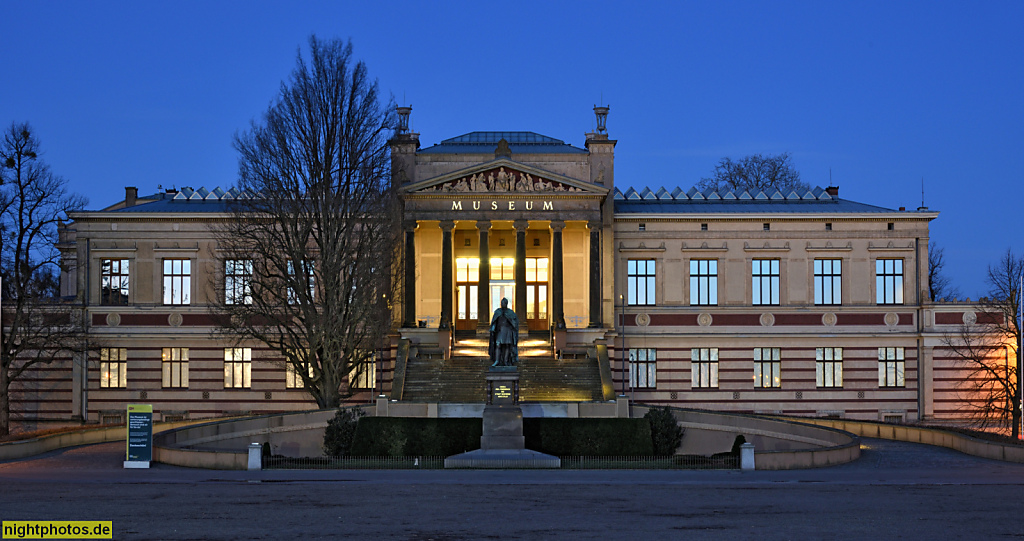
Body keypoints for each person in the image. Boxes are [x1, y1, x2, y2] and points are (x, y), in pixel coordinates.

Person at [488, 298, 519, 367]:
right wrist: (493, 328)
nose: (502, 304)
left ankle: (506, 361)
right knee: (498, 345)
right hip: (500, 331)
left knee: (507, 345)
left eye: (504, 303)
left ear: (506, 304)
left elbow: (515, 322)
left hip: (508, 331)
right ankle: (497, 360)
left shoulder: (510, 312)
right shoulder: (498, 312)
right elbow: (494, 322)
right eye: (502, 303)